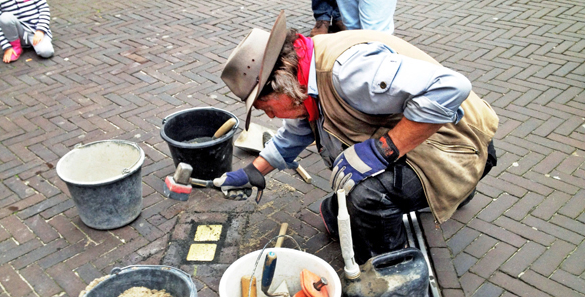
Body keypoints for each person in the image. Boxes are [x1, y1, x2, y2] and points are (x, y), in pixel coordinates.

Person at [213, 11, 498, 265]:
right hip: (433, 138)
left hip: (459, 146)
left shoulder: (347, 71)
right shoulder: (304, 68)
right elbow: (300, 128)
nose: (272, 118)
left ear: (282, 88)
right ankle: (446, 192)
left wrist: (385, 149)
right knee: (339, 206)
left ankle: (393, 274)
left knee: (365, 196)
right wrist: (253, 171)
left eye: (267, 109)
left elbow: (452, 86)